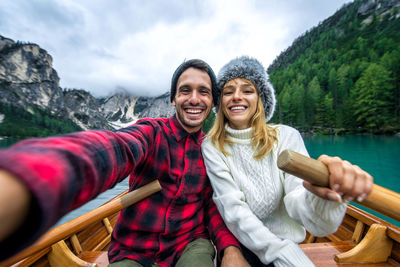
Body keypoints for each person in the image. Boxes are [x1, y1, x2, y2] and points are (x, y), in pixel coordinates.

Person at [0, 59, 250, 266]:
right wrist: (33, 178)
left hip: (191, 242)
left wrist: (229, 249)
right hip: (134, 249)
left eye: (203, 92)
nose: (194, 99)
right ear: (173, 99)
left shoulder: (212, 151)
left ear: (212, 102)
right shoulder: (151, 132)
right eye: (185, 90)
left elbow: (212, 205)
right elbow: (115, 148)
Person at [201, 56, 373, 267]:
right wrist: (280, 252)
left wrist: (322, 199)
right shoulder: (211, 146)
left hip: (289, 244)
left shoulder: (286, 137)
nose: (237, 97)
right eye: (228, 92)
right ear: (221, 102)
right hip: (242, 248)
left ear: (260, 99)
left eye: (247, 90)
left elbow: (299, 200)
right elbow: (234, 210)